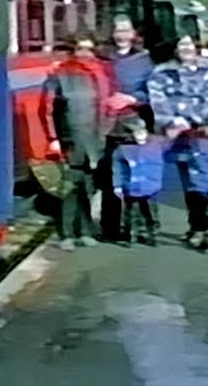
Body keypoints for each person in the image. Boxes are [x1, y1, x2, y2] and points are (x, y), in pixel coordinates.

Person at [147, 33, 208, 252]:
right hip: (176, 134)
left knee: (203, 178)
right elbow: (158, 101)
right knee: (189, 179)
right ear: (175, 48)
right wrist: (172, 121)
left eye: (189, 45)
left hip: (203, 133)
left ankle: (201, 223)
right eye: (181, 44)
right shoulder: (161, 73)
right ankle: (200, 227)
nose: (185, 49)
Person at [40, 32, 113, 251]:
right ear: (72, 50)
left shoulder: (100, 73)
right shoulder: (59, 74)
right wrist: (53, 138)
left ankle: (86, 230)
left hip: (95, 138)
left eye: (89, 49)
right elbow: (46, 109)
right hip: (71, 138)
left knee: (88, 187)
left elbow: (107, 108)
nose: (85, 54)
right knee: (70, 188)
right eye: (81, 49)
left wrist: (104, 135)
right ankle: (67, 234)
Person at [95, 14, 156, 242]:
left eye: (125, 30)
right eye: (118, 30)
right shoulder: (101, 58)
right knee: (108, 179)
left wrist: (131, 98)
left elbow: (153, 91)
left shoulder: (144, 60)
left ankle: (143, 228)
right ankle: (110, 228)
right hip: (105, 124)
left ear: (133, 34)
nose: (121, 35)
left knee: (137, 175)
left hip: (133, 123)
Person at [111, 114, 166, 247]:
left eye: (142, 132)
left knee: (151, 213)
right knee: (130, 213)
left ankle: (152, 234)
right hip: (131, 186)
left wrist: (156, 182)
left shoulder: (155, 146)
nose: (140, 135)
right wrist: (117, 185)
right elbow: (117, 168)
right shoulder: (122, 149)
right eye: (137, 133)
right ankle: (130, 235)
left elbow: (158, 166)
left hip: (149, 187)